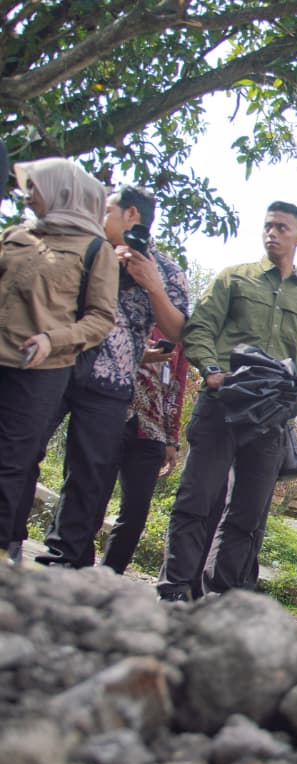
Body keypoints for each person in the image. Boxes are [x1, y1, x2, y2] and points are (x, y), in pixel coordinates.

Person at [158, 201, 297, 601]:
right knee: (196, 500)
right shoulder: (234, 278)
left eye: (282, 228)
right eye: (268, 226)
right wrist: (211, 369)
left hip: (272, 415)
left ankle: (223, 598)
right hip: (223, 404)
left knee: (248, 514)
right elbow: (199, 329)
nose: (272, 233)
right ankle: (175, 590)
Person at [34, 184, 189, 568]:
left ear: (131, 215)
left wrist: (151, 284)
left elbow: (180, 333)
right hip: (55, 367)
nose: (97, 217)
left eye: (106, 210)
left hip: (112, 383)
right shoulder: (82, 248)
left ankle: (63, 560)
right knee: (22, 450)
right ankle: (9, 539)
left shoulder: (166, 270)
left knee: (89, 475)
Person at [1, 159, 118, 562]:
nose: (28, 194)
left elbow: (101, 318)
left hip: (37, 371)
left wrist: (54, 339)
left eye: (36, 186)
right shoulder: (16, 235)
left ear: (61, 191)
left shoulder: (94, 248)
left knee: (9, 464)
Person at [99, 329, 190, 572]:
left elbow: (176, 389)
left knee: (136, 511)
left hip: (152, 431)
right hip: (111, 414)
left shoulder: (176, 330)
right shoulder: (131, 313)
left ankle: (110, 574)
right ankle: (72, 563)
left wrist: (172, 439)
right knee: (92, 494)